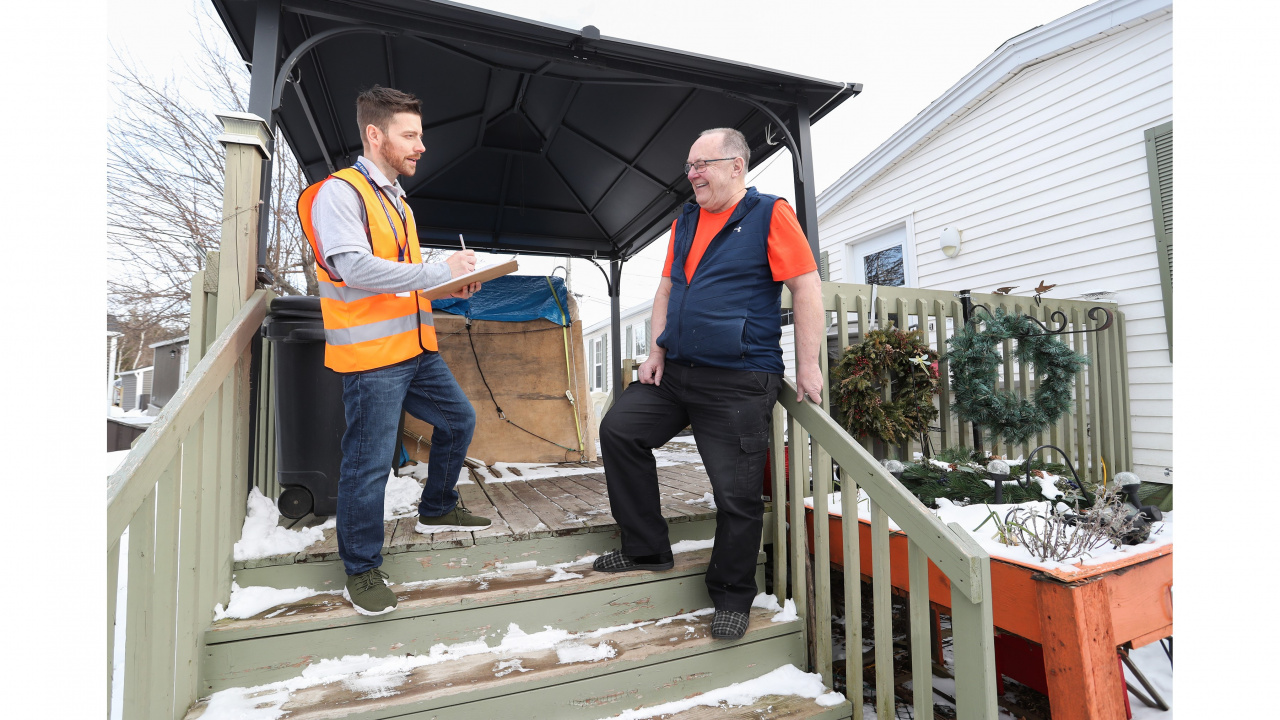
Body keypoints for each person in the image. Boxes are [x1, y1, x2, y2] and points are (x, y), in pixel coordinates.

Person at [595, 128, 825, 640]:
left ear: (737, 167)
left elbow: (806, 288)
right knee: (620, 431)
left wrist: (808, 364)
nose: (692, 174)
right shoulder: (686, 221)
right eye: (690, 165)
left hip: (739, 379)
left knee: (735, 495)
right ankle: (645, 548)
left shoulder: (769, 214)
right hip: (676, 371)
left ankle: (731, 594)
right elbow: (666, 287)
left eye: (703, 164)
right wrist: (656, 348)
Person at [297, 85, 490, 616]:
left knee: (458, 420)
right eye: (410, 136)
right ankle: (360, 569)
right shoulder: (341, 193)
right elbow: (354, 269)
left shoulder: (396, 200)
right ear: (374, 134)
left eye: (420, 136)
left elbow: (403, 280)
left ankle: (437, 507)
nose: (421, 146)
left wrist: (448, 285)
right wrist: (435, 271)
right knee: (369, 464)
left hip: (416, 348)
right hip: (373, 357)